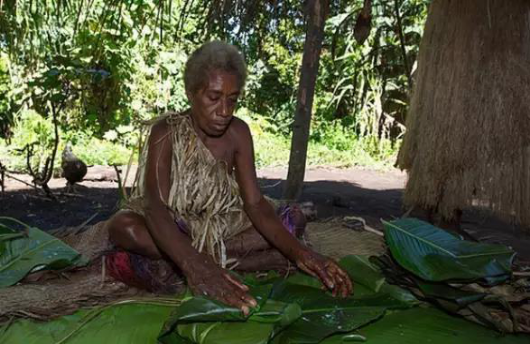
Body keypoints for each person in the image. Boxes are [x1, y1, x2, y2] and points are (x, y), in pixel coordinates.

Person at [104, 41, 353, 315]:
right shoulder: (165, 132)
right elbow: (154, 206)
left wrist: (302, 254)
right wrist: (195, 266)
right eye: (213, 98)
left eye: (232, 99)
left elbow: (255, 204)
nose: (224, 110)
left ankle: (200, 258)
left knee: (292, 221)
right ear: (191, 93)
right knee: (124, 228)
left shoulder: (239, 133)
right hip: (175, 224)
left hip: (222, 225)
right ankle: (232, 261)